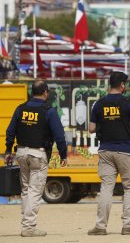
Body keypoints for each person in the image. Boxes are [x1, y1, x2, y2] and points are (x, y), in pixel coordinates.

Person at [4, 80, 68, 237]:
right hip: (38, 155)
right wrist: (63, 154)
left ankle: (26, 223)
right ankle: (29, 227)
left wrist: (7, 150)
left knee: (26, 189)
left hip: (21, 153)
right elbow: (59, 135)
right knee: (34, 190)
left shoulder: (21, 109)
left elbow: (10, 130)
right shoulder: (48, 111)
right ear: (45, 92)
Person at [87, 71, 130, 236]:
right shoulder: (128, 103)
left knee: (106, 188)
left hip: (105, 150)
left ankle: (100, 226)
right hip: (125, 150)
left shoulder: (98, 104)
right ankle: (128, 225)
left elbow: (91, 128)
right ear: (122, 85)